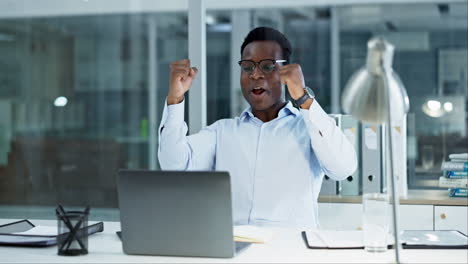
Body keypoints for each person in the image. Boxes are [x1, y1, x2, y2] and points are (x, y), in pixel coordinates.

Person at [158, 27, 357, 228]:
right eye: (247, 67)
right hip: (234, 252)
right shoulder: (222, 132)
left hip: (291, 252)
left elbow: (343, 168)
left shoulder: (309, 129)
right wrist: (175, 99)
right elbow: (174, 165)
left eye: (268, 66)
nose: (255, 75)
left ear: (288, 72)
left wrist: (304, 99)